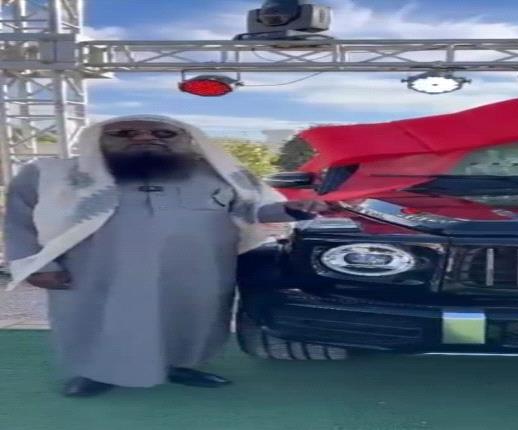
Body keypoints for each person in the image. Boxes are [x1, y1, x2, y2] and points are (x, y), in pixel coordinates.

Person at [3, 115, 326, 397]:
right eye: (125, 133)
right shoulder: (52, 175)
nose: (144, 138)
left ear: (187, 139)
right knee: (100, 321)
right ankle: (96, 373)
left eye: (163, 133)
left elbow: (251, 209)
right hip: (96, 271)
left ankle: (178, 366)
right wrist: (38, 265)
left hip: (196, 269)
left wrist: (291, 208)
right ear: (99, 139)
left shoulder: (220, 174)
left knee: (189, 318)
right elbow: (20, 221)